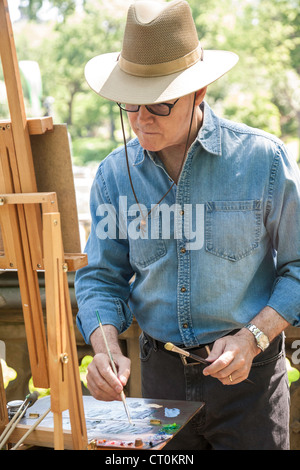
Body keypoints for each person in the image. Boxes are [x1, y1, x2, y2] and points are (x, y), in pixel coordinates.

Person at [75, 0, 300, 450]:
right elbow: (101, 278)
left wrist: (252, 338)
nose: (141, 121)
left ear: (199, 93)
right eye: (131, 106)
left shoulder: (263, 161)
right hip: (157, 385)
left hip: (250, 385)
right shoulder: (112, 176)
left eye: (158, 106)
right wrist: (105, 347)